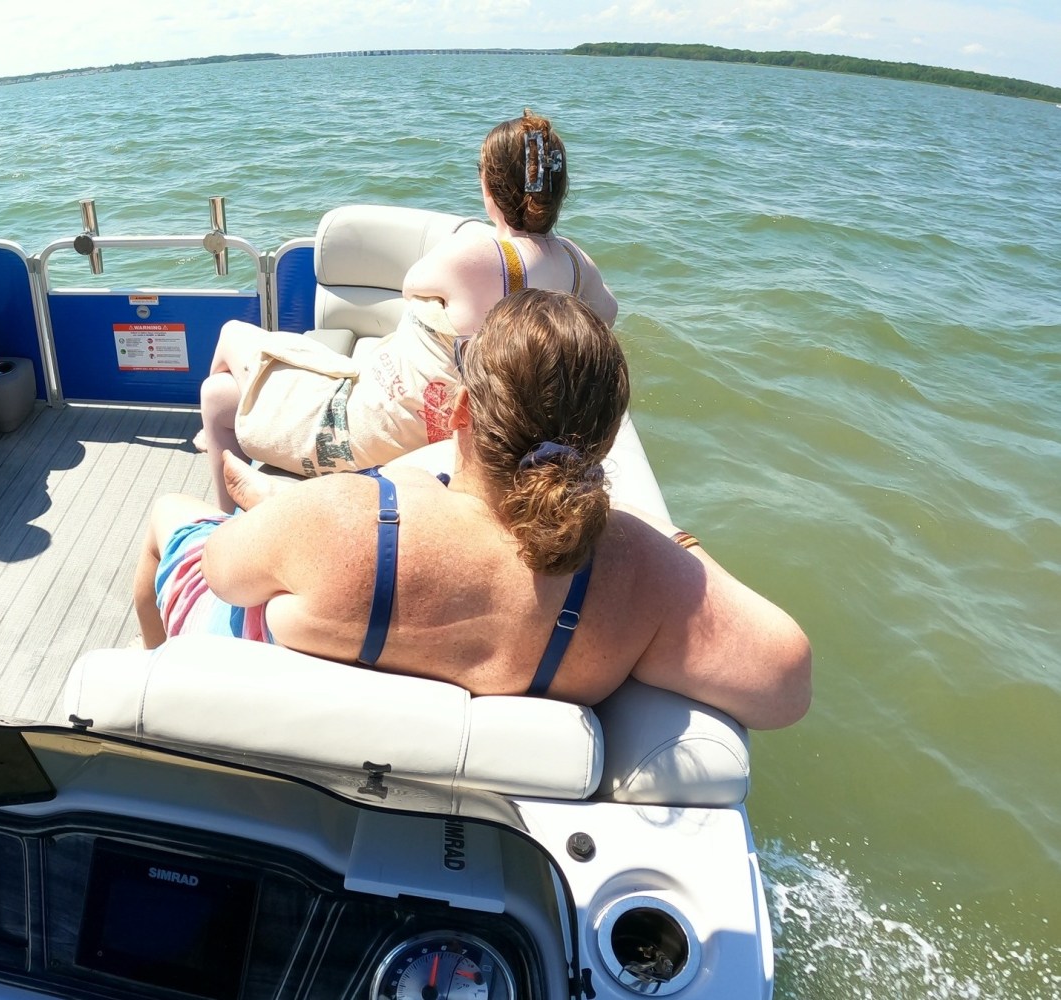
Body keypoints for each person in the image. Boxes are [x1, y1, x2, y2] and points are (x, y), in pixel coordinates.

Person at [138, 290, 810, 730]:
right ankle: (274, 511)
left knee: (169, 514)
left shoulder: (341, 517)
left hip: (301, 652)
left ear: (460, 410)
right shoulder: (639, 577)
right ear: (604, 440)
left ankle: (151, 678)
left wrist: (289, 520)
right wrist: (665, 538)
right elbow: (787, 683)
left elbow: (223, 572)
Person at [198, 110, 618, 511]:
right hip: (468, 437)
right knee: (219, 398)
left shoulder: (476, 254)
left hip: (378, 432)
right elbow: (608, 313)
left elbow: (412, 284)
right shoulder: (579, 266)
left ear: (489, 187)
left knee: (232, 335)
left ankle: (220, 504)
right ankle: (217, 439)